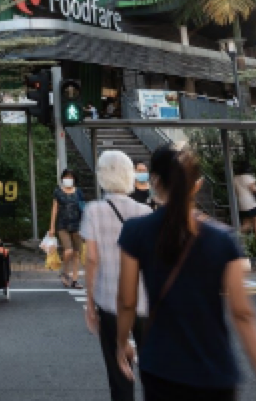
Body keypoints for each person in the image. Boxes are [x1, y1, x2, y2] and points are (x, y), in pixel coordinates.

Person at [115, 146, 256, 401]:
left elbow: (127, 301)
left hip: (161, 367)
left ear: (154, 181)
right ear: (197, 185)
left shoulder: (135, 231)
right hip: (215, 372)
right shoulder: (223, 239)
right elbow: (243, 314)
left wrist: (122, 343)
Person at [81, 150, 152, 401]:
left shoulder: (93, 210)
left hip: (109, 301)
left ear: (102, 176)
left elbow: (91, 258)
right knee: (152, 369)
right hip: (143, 300)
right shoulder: (145, 211)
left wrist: (89, 303)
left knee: (118, 371)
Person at [50, 168, 87, 288]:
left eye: (70, 177)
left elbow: (83, 208)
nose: (68, 179)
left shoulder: (79, 192)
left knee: (77, 253)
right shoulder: (58, 192)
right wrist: (51, 227)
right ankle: (65, 272)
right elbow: (54, 209)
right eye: (66, 177)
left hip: (78, 225)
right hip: (63, 225)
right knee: (68, 250)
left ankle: (75, 279)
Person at [233, 166, 256, 237]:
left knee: (246, 224)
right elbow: (254, 189)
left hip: (241, 203)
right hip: (252, 202)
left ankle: (234, 235)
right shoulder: (248, 177)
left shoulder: (235, 178)